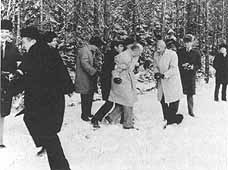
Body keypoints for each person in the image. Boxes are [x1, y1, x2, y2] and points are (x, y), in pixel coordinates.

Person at [15, 26, 72, 170]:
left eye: (24, 42)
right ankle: (47, 148)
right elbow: (62, 71)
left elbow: (26, 77)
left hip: (42, 102)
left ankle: (61, 167)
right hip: (53, 100)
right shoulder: (49, 51)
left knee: (49, 135)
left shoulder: (33, 54)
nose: (23, 46)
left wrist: (13, 85)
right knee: (39, 126)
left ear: (32, 41)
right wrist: (68, 88)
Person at [105, 43, 144, 129]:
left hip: (126, 81)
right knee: (128, 102)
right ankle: (128, 124)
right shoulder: (124, 57)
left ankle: (111, 117)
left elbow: (131, 68)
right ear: (135, 50)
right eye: (140, 52)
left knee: (123, 102)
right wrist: (116, 77)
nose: (140, 54)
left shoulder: (132, 56)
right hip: (121, 82)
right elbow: (116, 69)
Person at [91, 40, 125, 128]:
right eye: (120, 46)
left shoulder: (111, 55)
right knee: (109, 102)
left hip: (108, 81)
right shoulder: (114, 56)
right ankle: (96, 119)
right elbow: (111, 69)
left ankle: (103, 118)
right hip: (108, 81)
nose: (122, 48)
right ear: (115, 47)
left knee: (111, 102)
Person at [0, 19, 21, 148]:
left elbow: (19, 62)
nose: (4, 34)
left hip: (5, 85)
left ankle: (0, 141)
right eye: (1, 31)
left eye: (6, 31)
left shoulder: (13, 48)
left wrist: (16, 72)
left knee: (2, 113)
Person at [154, 40, 183, 128]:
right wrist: (156, 73)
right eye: (157, 47)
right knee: (162, 99)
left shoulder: (172, 54)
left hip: (172, 80)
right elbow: (155, 65)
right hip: (162, 81)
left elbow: (174, 68)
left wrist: (164, 75)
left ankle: (172, 118)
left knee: (173, 99)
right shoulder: (156, 54)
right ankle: (167, 117)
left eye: (159, 48)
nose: (158, 49)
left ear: (164, 47)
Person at [75, 36, 105, 121]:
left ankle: (88, 112)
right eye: (98, 46)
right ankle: (84, 115)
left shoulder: (90, 51)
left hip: (89, 77)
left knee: (90, 95)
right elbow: (84, 63)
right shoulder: (85, 50)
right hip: (84, 77)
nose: (98, 49)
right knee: (85, 96)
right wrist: (94, 71)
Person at [177, 34, 201, 117]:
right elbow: (176, 63)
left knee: (190, 94)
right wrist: (182, 66)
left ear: (192, 43)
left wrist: (193, 67)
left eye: (189, 42)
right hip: (181, 75)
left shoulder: (196, 52)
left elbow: (199, 65)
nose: (187, 44)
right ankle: (174, 110)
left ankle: (190, 111)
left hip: (191, 76)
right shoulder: (180, 51)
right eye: (186, 42)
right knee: (178, 93)